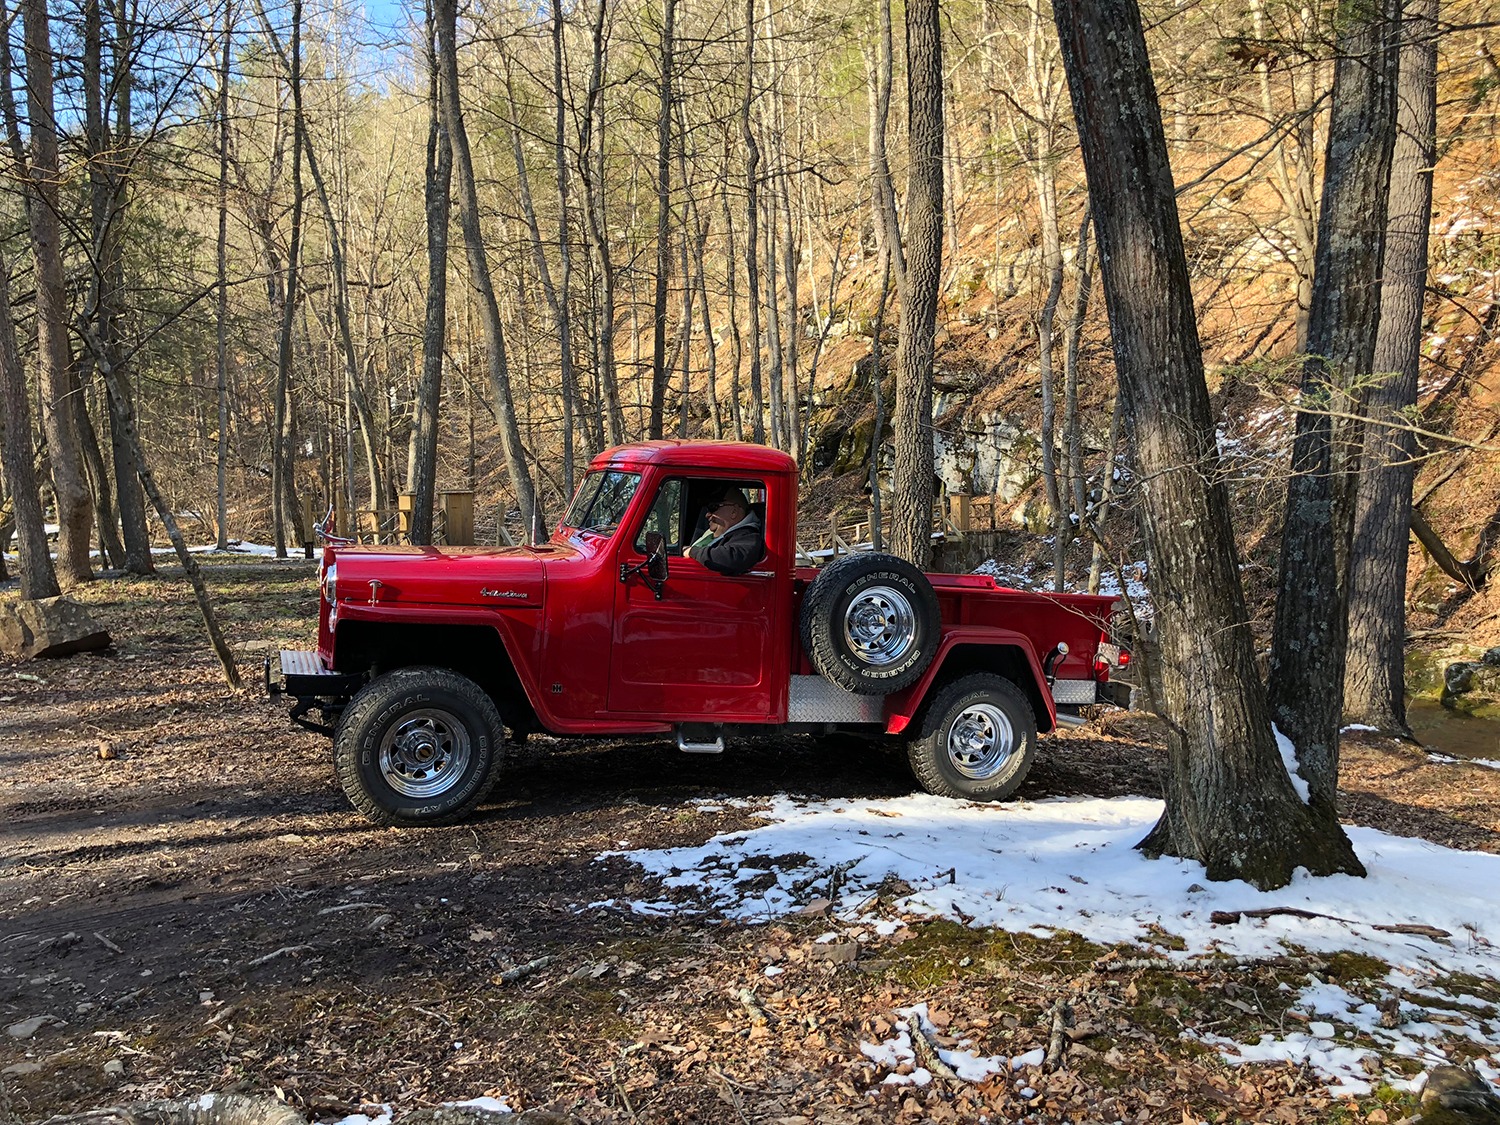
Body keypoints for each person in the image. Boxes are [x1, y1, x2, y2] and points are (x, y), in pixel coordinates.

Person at [686, 487, 766, 575]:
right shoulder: (714, 532)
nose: (707, 515)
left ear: (734, 512)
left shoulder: (748, 536)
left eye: (713, 507)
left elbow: (731, 559)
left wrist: (692, 552)